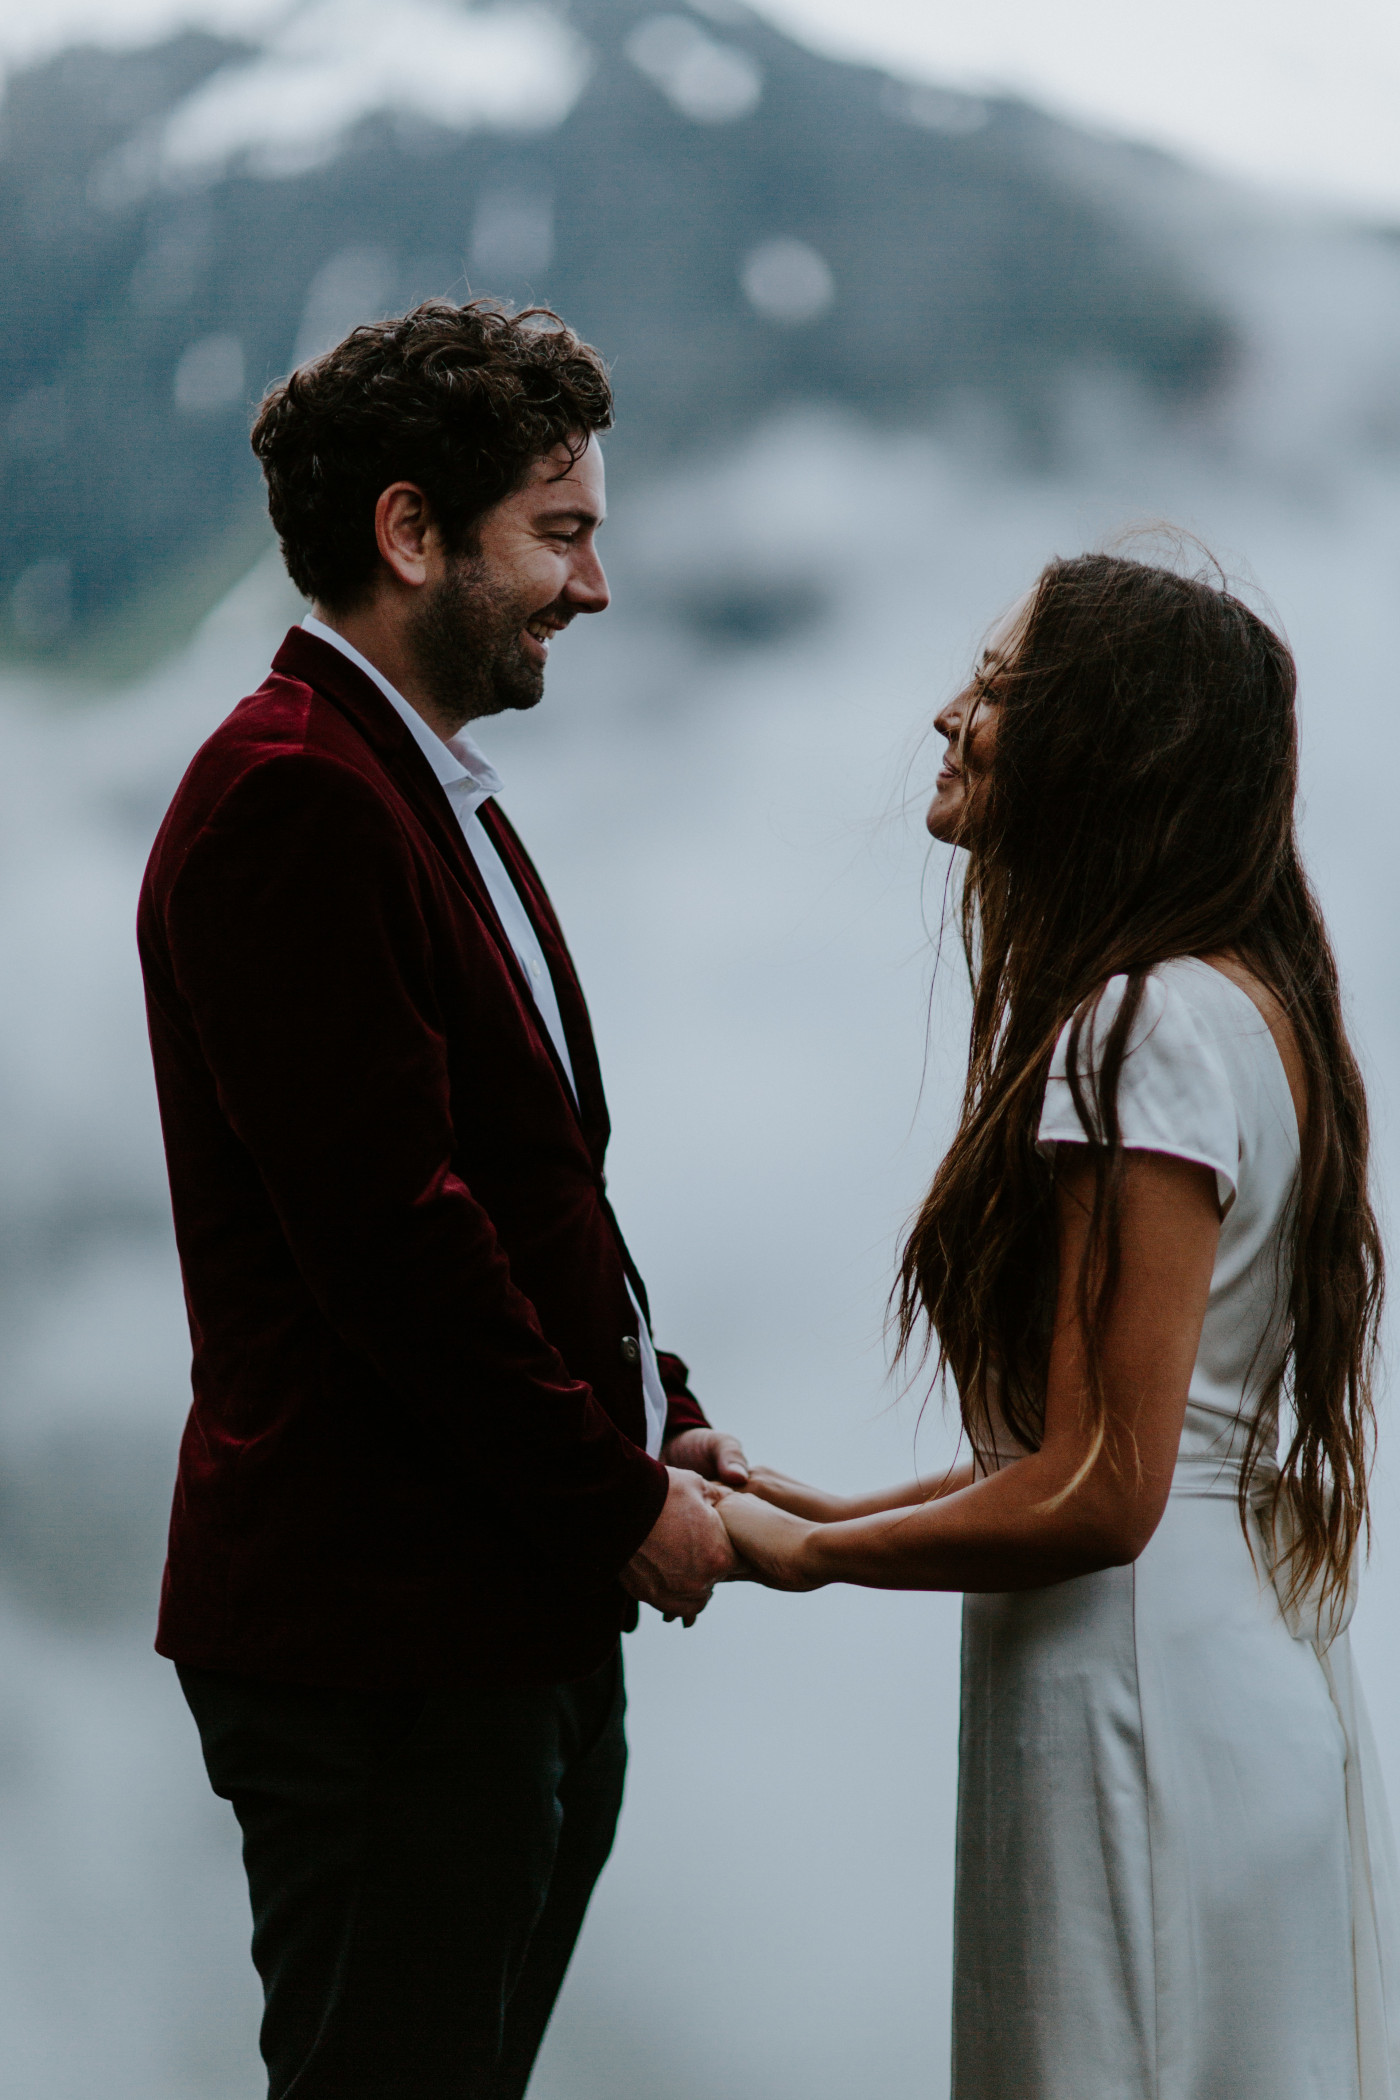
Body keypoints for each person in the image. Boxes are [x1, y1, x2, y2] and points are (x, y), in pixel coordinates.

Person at [137, 298, 744, 2100]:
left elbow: (530, 1172)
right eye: (559, 535)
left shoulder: (398, 783)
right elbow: (393, 1237)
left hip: (491, 1616)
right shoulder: (292, 803)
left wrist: (663, 1417)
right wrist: (609, 1495)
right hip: (387, 1641)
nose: (595, 587)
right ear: (411, 533)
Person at [717, 553, 1400, 2098]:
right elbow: (1102, 1443)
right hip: (1221, 1661)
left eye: (1003, 689)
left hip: (1134, 1691)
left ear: (1104, 738)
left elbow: (1102, 1488)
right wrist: (820, 1505)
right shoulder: (1249, 1002)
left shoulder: (1138, 1023)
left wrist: (814, 1562)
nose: (952, 718)